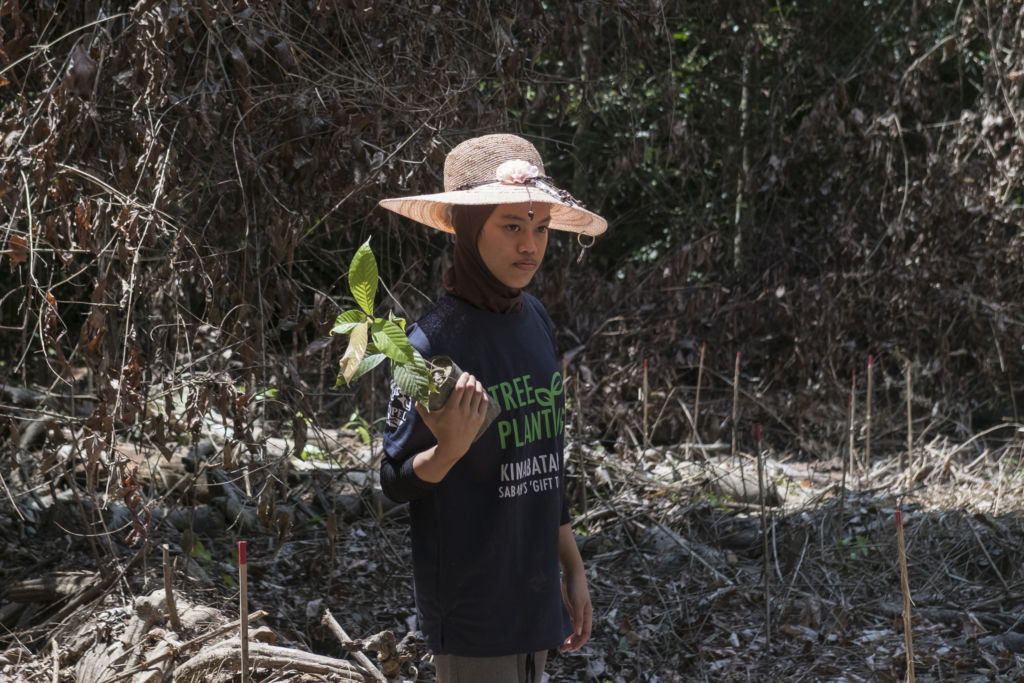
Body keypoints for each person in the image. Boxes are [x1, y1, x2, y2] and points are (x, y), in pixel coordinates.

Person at [378, 134, 607, 683]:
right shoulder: (428, 344)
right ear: (468, 228)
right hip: (474, 609)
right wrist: (450, 449)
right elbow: (393, 479)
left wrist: (571, 569)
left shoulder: (535, 320)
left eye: (541, 227)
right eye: (511, 226)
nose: (530, 245)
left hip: (533, 598)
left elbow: (544, 460)